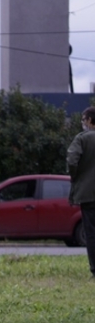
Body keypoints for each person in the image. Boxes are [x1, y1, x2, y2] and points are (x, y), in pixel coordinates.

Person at [67, 106, 95, 277]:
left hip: (88, 194)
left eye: (84, 120)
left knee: (91, 233)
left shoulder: (82, 139)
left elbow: (71, 160)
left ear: (90, 120)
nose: (83, 123)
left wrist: (76, 176)